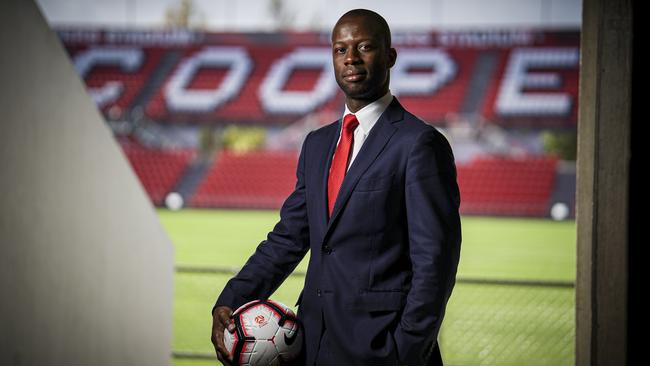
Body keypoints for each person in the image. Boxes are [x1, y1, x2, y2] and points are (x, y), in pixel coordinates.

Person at [211, 9, 461, 366]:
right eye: (340, 50)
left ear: (390, 56)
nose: (351, 59)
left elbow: (435, 263)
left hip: (381, 350)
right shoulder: (316, 144)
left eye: (364, 47)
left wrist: (404, 352)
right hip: (313, 345)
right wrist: (233, 298)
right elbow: (288, 238)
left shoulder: (419, 144)